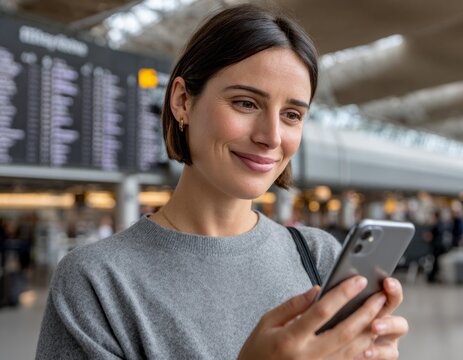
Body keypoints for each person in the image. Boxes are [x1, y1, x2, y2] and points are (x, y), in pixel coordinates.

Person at [36, 5, 408, 359]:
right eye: (246, 103)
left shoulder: (317, 256)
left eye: (292, 114)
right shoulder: (97, 282)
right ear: (182, 101)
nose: (272, 136)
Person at [426, 210, 446, 283]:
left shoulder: (435, 225)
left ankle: (432, 277)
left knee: (434, 263)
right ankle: (434, 277)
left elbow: (429, 237)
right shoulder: (441, 224)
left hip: (436, 247)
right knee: (436, 263)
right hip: (440, 246)